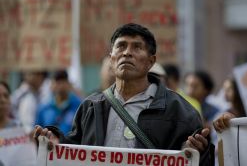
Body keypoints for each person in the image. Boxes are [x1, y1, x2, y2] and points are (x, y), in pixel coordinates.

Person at [33, 23, 214, 165]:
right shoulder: (91, 106)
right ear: (111, 58)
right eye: (121, 46)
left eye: (137, 47)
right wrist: (54, 141)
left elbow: (199, 159)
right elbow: (74, 152)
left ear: (151, 61)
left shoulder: (180, 110)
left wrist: (197, 151)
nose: (127, 53)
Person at [35, 70, 81, 135]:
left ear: (69, 84)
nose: (60, 85)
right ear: (51, 85)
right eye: (57, 82)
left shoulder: (78, 106)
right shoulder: (44, 108)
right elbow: (37, 132)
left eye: (63, 81)